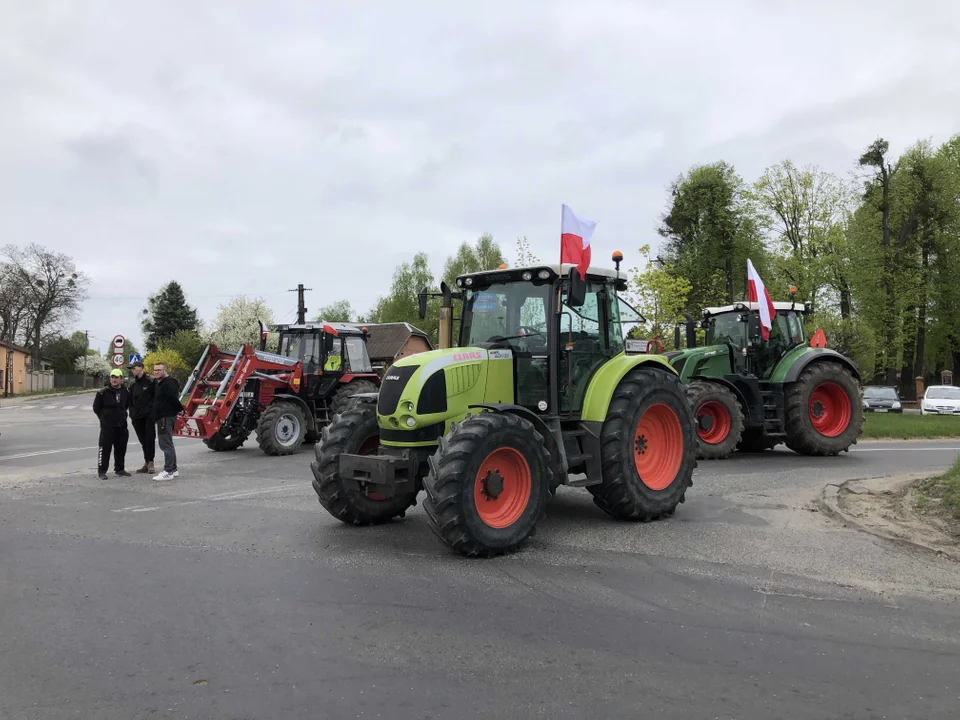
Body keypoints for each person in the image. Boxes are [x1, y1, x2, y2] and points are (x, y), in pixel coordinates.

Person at [93, 368, 132, 480]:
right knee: (104, 449)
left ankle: (119, 469)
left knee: (121, 448)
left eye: (116, 377)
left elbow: (127, 405)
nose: (114, 380)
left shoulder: (126, 392)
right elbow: (96, 408)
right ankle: (102, 471)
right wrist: (104, 418)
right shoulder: (103, 392)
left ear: (121, 379)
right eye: (112, 377)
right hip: (107, 426)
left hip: (122, 426)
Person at [151, 361, 183, 481]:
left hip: (166, 416)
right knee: (167, 442)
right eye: (155, 370)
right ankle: (173, 469)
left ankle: (168, 471)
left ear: (165, 370)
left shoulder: (169, 383)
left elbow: (172, 398)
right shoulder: (160, 383)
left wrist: (180, 409)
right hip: (162, 416)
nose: (156, 372)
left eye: (159, 370)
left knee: (165, 443)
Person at [128, 360, 156, 474]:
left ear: (141, 368)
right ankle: (146, 461)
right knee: (143, 440)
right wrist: (132, 413)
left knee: (149, 439)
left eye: (134, 368)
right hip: (137, 417)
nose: (132, 370)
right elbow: (130, 400)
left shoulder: (150, 381)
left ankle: (151, 462)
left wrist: (152, 413)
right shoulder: (133, 384)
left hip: (148, 416)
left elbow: (155, 398)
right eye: (131, 368)